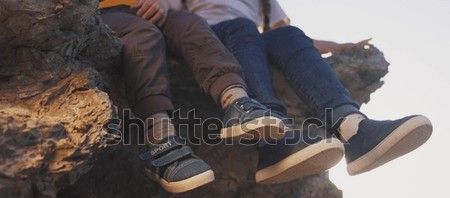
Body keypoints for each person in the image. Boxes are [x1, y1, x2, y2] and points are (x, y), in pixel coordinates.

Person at [164, 0, 433, 183]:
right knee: (243, 27)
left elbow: (280, 32)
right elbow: (168, 16)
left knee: (288, 34)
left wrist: (335, 46)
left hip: (249, 40)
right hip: (208, 40)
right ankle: (272, 141)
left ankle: (354, 130)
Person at [98, 0, 292, 193]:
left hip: (154, 10)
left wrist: (163, 3)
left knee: (192, 24)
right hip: (105, 11)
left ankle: (237, 102)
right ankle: (161, 140)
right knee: (143, 35)